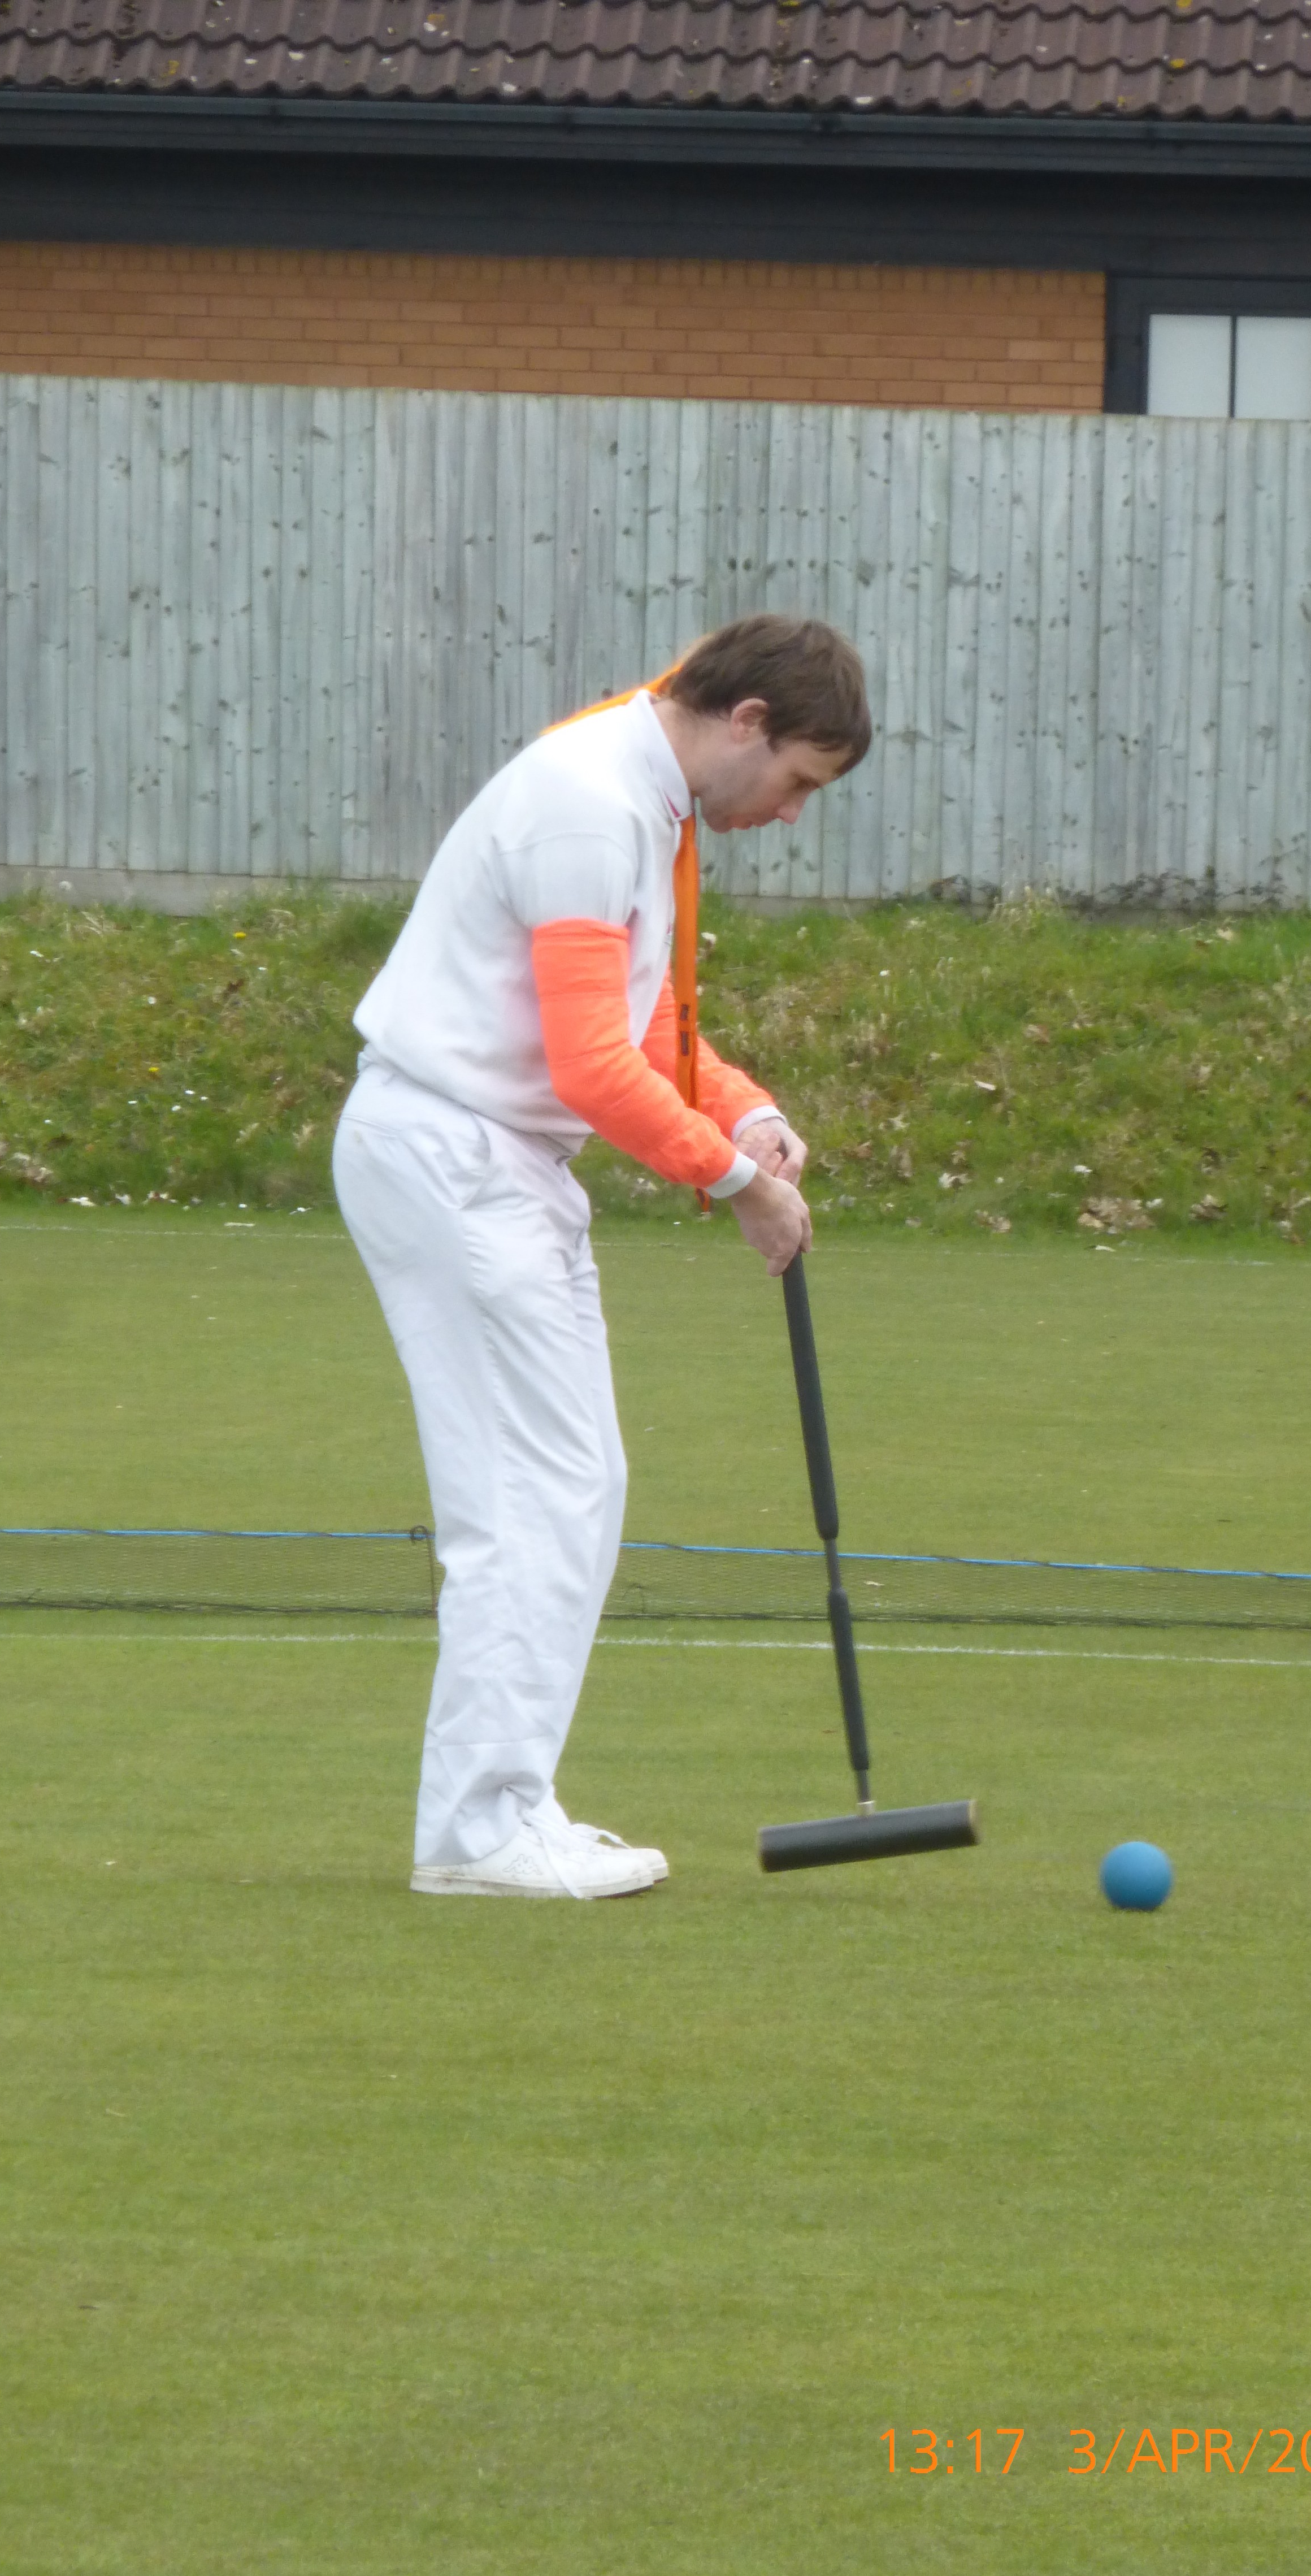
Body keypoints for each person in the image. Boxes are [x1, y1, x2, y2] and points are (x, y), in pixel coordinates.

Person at [333, 614, 872, 1899]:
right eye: (797, 781)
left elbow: (652, 1024)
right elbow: (589, 1065)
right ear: (746, 724)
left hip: (493, 1164)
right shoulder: (589, 807)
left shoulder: (641, 798)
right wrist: (735, 1185)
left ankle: (507, 1806)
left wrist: (738, 1107)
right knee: (531, 1498)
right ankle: (478, 1834)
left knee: (568, 1487)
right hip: (458, 1157)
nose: (792, 816)